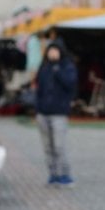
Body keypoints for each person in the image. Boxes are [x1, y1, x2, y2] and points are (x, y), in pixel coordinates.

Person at [34, 40, 79, 186]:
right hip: (43, 112)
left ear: (60, 52)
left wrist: (57, 70)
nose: (52, 53)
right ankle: (53, 175)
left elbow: (70, 84)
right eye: (50, 50)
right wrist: (37, 108)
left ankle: (64, 174)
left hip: (59, 113)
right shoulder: (44, 67)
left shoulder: (67, 67)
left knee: (59, 146)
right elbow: (39, 89)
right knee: (47, 147)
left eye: (55, 50)